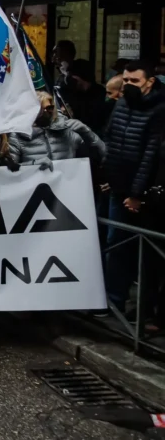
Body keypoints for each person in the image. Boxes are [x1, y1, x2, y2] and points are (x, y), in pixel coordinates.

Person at [102, 61, 165, 319]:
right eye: (125, 81)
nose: (128, 85)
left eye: (134, 82)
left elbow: (151, 155)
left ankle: (144, 310)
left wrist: (137, 194)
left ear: (150, 82)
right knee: (115, 243)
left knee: (147, 254)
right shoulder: (121, 104)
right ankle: (114, 299)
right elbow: (111, 139)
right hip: (118, 187)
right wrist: (106, 175)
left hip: (144, 194)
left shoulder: (159, 110)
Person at [9, 92, 105, 169]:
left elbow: (102, 154)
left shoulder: (66, 130)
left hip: (66, 184)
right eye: (40, 109)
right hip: (33, 187)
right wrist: (33, 164)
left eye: (49, 108)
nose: (46, 112)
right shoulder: (18, 135)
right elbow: (9, 169)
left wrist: (87, 132)